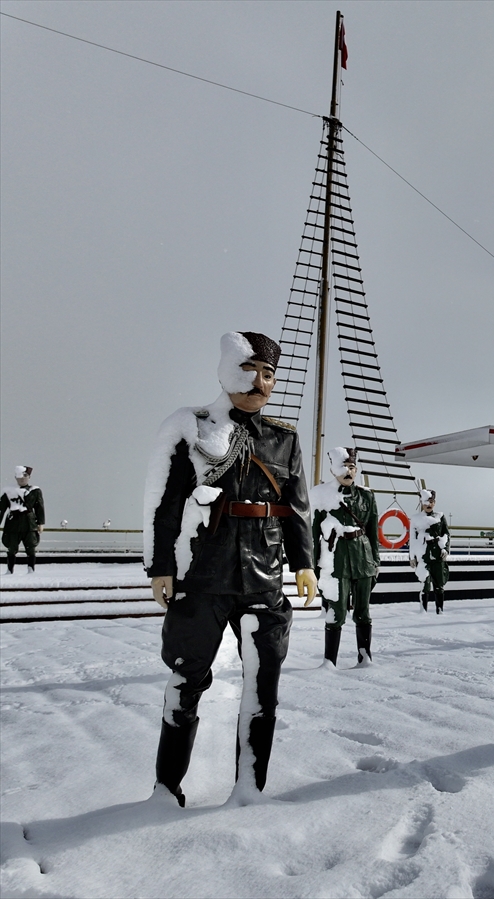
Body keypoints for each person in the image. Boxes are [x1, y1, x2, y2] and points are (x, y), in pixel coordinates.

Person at [144, 331, 316, 807]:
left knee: (263, 687)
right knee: (186, 678)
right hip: (200, 576)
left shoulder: (284, 439)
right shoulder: (193, 429)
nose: (260, 382)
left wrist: (304, 564)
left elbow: (297, 507)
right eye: (250, 371)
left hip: (264, 575)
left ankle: (249, 790)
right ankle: (165, 789)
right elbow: (166, 502)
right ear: (225, 371)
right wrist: (161, 566)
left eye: (268, 374)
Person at [311, 447, 380, 667]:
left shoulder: (367, 496)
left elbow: (372, 530)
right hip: (335, 560)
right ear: (333, 470)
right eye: (344, 467)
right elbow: (314, 535)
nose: (349, 472)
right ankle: (329, 661)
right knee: (336, 612)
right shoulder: (320, 496)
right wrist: (315, 568)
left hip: (363, 558)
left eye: (352, 467)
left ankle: (365, 657)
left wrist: (375, 562)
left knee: (363, 612)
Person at [410, 488, 450, 613]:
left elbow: (446, 534)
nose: (429, 504)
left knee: (439, 585)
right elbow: (412, 538)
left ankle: (440, 610)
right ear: (422, 502)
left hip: (437, 555)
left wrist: (445, 549)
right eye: (427, 501)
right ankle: (423, 611)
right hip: (423, 555)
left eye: (432, 501)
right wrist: (412, 557)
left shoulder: (440, 517)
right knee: (424, 584)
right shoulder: (415, 519)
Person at [1, 465, 44, 574]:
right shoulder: (8, 491)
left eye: (25, 476)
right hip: (12, 523)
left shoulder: (35, 491)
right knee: (11, 547)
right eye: (19, 477)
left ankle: (31, 569)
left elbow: (39, 507)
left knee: (31, 547)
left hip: (29, 523)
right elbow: (1, 509)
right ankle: (9, 570)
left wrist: (41, 523)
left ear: (29, 477)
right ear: (15, 478)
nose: (22, 479)